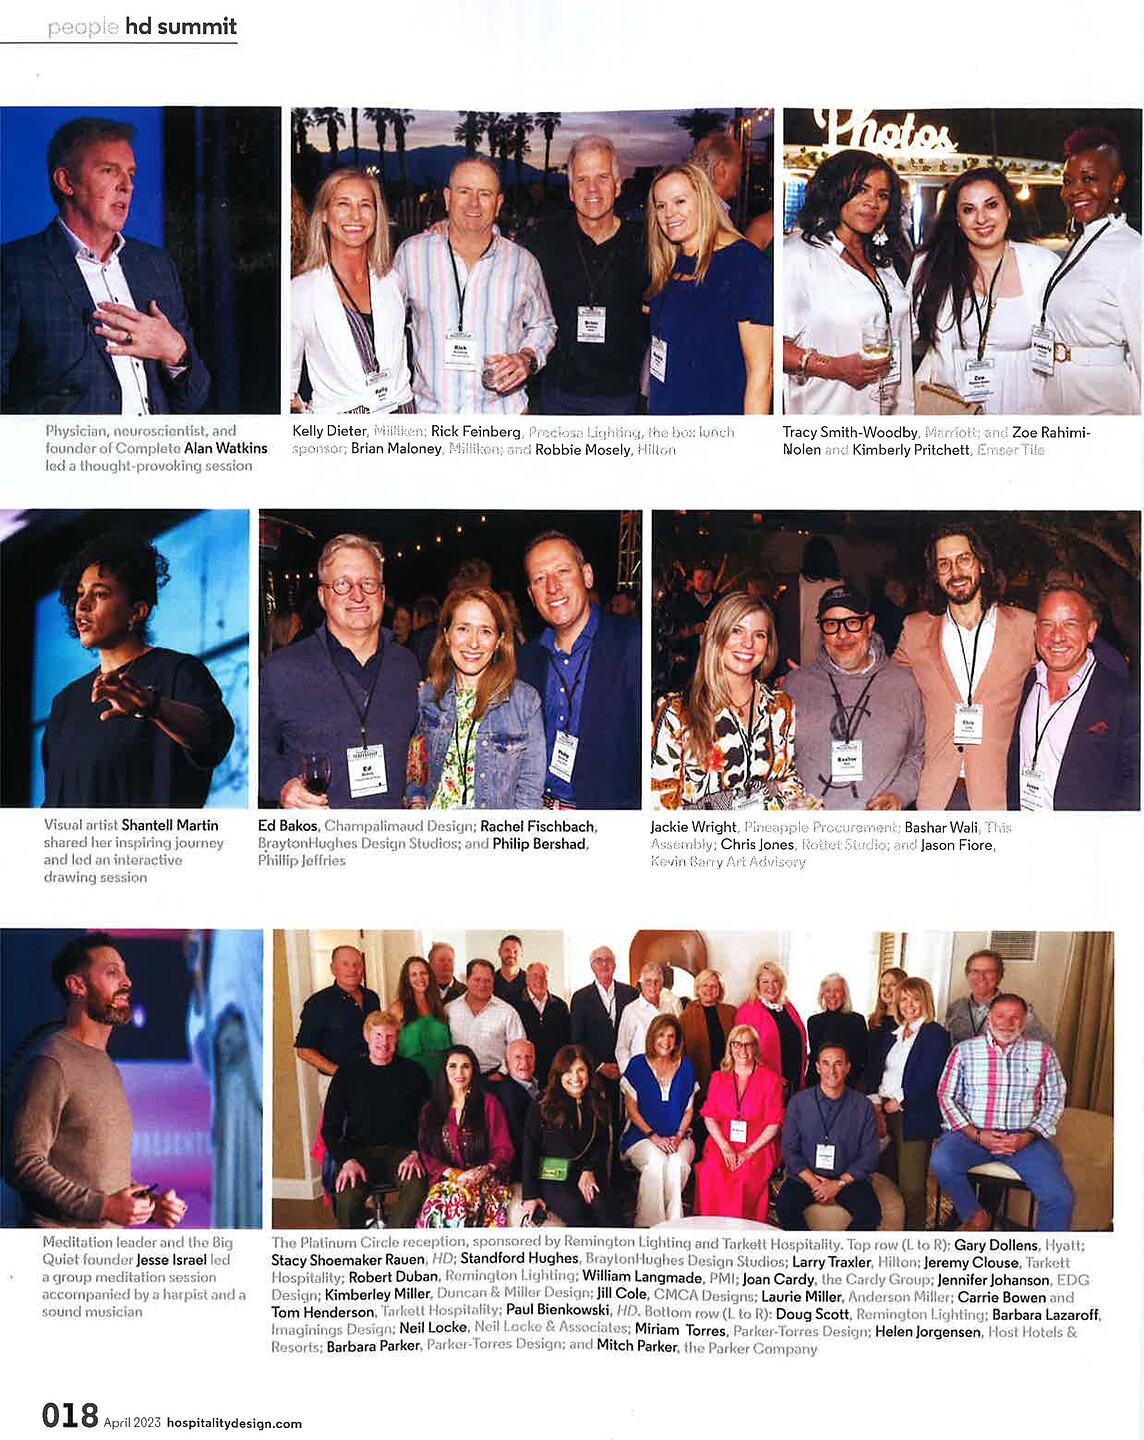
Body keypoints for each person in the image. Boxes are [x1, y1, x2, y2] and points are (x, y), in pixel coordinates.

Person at [2, 116, 209, 415]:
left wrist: (176, 352)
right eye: (109, 171)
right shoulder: (14, 268)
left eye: (131, 174)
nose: (127, 186)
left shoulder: (156, 266)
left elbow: (195, 398)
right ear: (66, 182)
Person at [42, 532, 234, 808]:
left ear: (138, 611)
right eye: (81, 594)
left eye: (100, 594)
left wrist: (152, 706)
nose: (82, 605)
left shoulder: (177, 671)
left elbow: (214, 735)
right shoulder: (66, 702)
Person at [9, 934, 188, 1228]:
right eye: (112, 972)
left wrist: (149, 1206)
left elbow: (97, 1177)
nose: (127, 982)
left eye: (125, 972)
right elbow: (23, 1164)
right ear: (77, 985)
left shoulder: (106, 1066)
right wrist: (105, 1207)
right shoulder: (51, 1060)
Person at [259, 533, 420, 809]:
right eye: (342, 584)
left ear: (382, 594)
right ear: (323, 596)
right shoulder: (281, 670)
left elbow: (421, 747)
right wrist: (282, 785)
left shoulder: (407, 665)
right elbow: (254, 749)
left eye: (368, 583)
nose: (358, 595)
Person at [393, 156, 556, 414]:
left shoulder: (523, 263)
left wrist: (527, 358)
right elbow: (386, 325)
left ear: (498, 203)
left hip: (503, 416)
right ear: (448, 197)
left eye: (485, 194)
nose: (474, 203)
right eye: (464, 191)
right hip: (431, 417)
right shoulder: (412, 255)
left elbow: (543, 324)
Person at [894, 525, 1034, 810]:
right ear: (935, 575)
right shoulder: (915, 630)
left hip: (997, 798)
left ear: (981, 564)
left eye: (964, 559)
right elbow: (882, 681)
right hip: (937, 796)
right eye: (944, 564)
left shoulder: (1025, 627)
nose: (955, 572)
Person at [911, 167, 1059, 414]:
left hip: (1027, 408)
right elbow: (901, 332)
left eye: (991, 205)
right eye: (969, 210)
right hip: (954, 408)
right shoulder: (931, 266)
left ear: (1008, 210)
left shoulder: (1043, 265)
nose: (981, 219)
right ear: (957, 219)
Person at [523, 135, 648, 415]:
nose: (592, 188)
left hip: (620, 398)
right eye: (581, 179)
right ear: (571, 191)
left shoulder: (645, 243)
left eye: (602, 177)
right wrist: (452, 230)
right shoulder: (545, 238)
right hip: (557, 394)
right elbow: (502, 258)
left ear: (617, 186)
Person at [517, 530, 641, 810]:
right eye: (539, 579)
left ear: (587, 576)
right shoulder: (526, 660)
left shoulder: (633, 645)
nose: (552, 587)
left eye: (562, 571)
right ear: (531, 595)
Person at [783, 149, 913, 415]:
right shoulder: (799, 254)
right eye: (861, 190)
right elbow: (769, 345)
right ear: (835, 191)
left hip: (891, 412)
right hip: (829, 415)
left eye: (882, 195)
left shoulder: (884, 257)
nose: (872, 203)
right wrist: (834, 368)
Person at [651, 592, 810, 810]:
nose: (748, 643)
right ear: (716, 636)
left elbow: (791, 784)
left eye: (759, 635)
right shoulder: (677, 712)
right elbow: (659, 806)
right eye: (737, 630)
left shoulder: (781, 707)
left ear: (768, 646)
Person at [932, 994, 1073, 1232]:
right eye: (1000, 1016)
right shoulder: (964, 1051)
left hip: (1024, 1139)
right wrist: (976, 1135)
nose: (1007, 1023)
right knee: (942, 1162)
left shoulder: (1043, 1053)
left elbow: (1055, 1099)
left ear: (1024, 1021)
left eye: (1015, 1017)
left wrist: (1029, 1135)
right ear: (989, 1019)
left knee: (1061, 1198)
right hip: (973, 1136)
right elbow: (946, 1095)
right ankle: (976, 1216)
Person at [783, 581, 925, 810]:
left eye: (852, 622)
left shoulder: (903, 684)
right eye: (831, 624)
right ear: (821, 630)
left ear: (869, 624)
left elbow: (918, 751)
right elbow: (776, 763)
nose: (842, 635)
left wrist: (899, 794)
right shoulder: (796, 685)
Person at [645, 162, 773, 414]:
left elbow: (761, 374)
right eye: (661, 206)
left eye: (680, 201)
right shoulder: (672, 261)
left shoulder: (743, 263)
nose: (669, 213)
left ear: (703, 200)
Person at [405, 586, 545, 810]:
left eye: (485, 631)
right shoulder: (428, 696)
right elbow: (416, 767)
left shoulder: (524, 703)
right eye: (463, 629)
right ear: (446, 635)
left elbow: (529, 796)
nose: (473, 643)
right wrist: (416, 802)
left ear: (499, 640)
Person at [289, 168, 413, 415]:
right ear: (324, 213)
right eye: (343, 204)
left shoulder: (393, 279)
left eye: (365, 205)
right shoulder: (300, 292)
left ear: (377, 215)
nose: (356, 216)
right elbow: (287, 379)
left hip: (403, 415)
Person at [1007, 583, 1139, 811]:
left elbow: (1135, 790)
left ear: (1090, 631)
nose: (1057, 637)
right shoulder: (1028, 682)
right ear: (1036, 631)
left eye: (1070, 624)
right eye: (1047, 624)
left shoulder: (1125, 700)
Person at [1040, 127, 1141, 415]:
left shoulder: (1133, 251)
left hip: (1102, 400)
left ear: (1117, 183)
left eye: (1089, 179)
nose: (1074, 191)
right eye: (1068, 181)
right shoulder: (1083, 241)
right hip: (1056, 393)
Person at [321, 1012, 430, 1229]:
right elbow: (330, 1127)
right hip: (358, 1154)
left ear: (397, 1038)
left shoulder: (414, 1073)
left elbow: (429, 1121)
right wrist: (346, 1160)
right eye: (378, 1035)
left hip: (402, 1152)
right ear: (367, 1036)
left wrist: (416, 1153)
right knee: (346, 1198)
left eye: (390, 1036)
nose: (384, 1042)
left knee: (417, 1190)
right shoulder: (347, 1074)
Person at [865, 978, 950, 1230]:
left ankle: (913, 1238)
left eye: (915, 999)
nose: (909, 1005)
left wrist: (900, 1100)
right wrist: (876, 1102)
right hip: (883, 1109)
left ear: (926, 1001)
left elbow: (930, 1075)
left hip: (912, 1114)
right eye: (904, 999)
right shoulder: (894, 1034)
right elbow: (878, 1070)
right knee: (884, 1178)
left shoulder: (935, 1034)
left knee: (911, 1186)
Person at [774, 1045, 882, 1231]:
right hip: (806, 1178)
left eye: (838, 1064)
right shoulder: (799, 1103)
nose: (832, 1071)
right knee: (785, 1207)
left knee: (870, 1213)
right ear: (817, 1067)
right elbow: (789, 1150)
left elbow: (870, 1155)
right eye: (826, 1063)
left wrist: (838, 1184)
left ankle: (841, 1251)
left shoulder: (863, 1106)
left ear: (847, 1067)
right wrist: (815, 1183)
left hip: (847, 1179)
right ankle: (811, 1251)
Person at [694, 1024, 785, 1223]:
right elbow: (709, 1116)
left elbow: (774, 1123)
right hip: (723, 1141)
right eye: (737, 1044)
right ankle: (711, 1228)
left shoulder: (771, 1080)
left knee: (742, 1178)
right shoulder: (718, 1077)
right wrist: (725, 1147)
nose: (742, 1050)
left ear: (756, 1048)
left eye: (748, 1044)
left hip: (758, 1145)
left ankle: (740, 1231)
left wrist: (749, 1152)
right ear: (730, 1047)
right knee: (710, 1172)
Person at [415, 1045, 514, 1228]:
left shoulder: (489, 1104)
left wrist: (485, 1170)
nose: (459, 1073)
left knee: (464, 1202)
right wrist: (454, 1174)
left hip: (485, 1180)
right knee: (436, 1210)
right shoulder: (431, 1109)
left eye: (465, 1066)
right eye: (453, 1066)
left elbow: (504, 1148)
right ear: (444, 1071)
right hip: (447, 1182)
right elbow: (427, 1152)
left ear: (473, 1070)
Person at [520, 1045, 615, 1227]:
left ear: (589, 1072)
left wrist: (589, 1170)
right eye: (568, 1071)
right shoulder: (541, 1105)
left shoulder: (598, 1102)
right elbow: (530, 1149)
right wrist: (530, 1195)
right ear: (559, 1075)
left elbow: (603, 1144)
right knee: (579, 1214)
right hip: (555, 1178)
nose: (575, 1077)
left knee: (605, 1212)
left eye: (581, 1070)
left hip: (587, 1173)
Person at [619, 1015, 698, 1227]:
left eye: (671, 1036)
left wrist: (679, 1136)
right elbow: (631, 1109)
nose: (666, 1041)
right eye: (661, 1035)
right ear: (652, 1037)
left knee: (677, 1164)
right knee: (656, 1162)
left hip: (679, 1136)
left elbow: (689, 1110)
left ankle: (673, 1224)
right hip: (642, 1136)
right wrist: (653, 1136)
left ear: (677, 1040)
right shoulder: (637, 1064)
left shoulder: (686, 1067)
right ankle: (649, 1225)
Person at [570, 945, 637, 1134]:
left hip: (627, 1069)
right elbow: (577, 1039)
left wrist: (625, 1065)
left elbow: (637, 1034)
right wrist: (599, 1066)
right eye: (599, 960)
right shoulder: (580, 997)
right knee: (601, 1122)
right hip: (596, 1072)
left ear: (615, 965)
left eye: (608, 960)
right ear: (592, 966)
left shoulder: (631, 993)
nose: (604, 964)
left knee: (629, 1119)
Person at [294, 945, 381, 1077]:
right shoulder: (318, 1003)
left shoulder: (372, 997)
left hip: (372, 1075)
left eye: (357, 964)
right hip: (336, 1079)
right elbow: (303, 1049)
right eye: (345, 964)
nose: (352, 969)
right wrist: (340, 1074)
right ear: (333, 968)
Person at [943, 949, 1053, 1047]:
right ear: (967, 975)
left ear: (1000, 976)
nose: (981, 977)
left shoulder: (1019, 1008)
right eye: (975, 971)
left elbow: (1044, 1046)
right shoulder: (955, 1008)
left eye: (989, 972)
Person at [734, 960, 807, 1097]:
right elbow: (742, 1052)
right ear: (757, 984)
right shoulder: (747, 1010)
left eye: (775, 981)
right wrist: (772, 1077)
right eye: (765, 982)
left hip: (795, 1080)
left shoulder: (788, 1006)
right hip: (766, 1085)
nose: (771, 987)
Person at [444, 959, 526, 1080]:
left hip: (494, 1077)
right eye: (477, 980)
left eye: (487, 981)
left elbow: (520, 1048)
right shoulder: (449, 1009)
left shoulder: (507, 1012)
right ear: (467, 980)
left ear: (493, 982)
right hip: (458, 1077)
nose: (482, 985)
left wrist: (502, 1073)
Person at [387, 956, 451, 1081]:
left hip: (441, 1074)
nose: (420, 978)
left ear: (430, 976)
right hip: (410, 1074)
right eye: (414, 975)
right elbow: (388, 1045)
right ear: (407, 980)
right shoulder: (397, 1008)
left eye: (423, 973)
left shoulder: (438, 1006)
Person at [615, 962, 682, 1075]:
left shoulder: (669, 1006)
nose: (653, 985)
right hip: (641, 1073)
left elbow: (677, 1040)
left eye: (657, 981)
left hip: (667, 1073)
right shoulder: (631, 1010)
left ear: (662, 984)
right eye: (648, 981)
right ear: (641, 984)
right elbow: (622, 1048)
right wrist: (630, 1073)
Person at [679, 968, 737, 1098]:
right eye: (705, 985)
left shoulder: (731, 1012)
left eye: (714, 986)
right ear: (698, 988)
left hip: (728, 1074)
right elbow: (681, 1050)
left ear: (720, 989)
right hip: (700, 1077)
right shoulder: (686, 1016)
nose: (709, 989)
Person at [806, 973, 869, 1082]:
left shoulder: (857, 1021)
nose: (832, 995)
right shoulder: (813, 1022)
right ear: (822, 994)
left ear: (844, 994)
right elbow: (814, 1059)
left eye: (837, 991)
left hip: (850, 1083)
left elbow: (861, 1059)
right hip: (820, 1084)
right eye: (828, 991)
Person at [518, 962, 572, 1087]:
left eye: (544, 977)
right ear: (527, 979)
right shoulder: (515, 1004)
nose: (540, 980)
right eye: (535, 976)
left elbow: (567, 1039)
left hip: (555, 1071)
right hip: (525, 1070)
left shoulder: (560, 1005)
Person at [496, 1038, 542, 1180]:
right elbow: (521, 1136)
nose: (524, 1063)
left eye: (529, 1057)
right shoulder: (509, 1094)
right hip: (524, 1168)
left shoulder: (538, 1085)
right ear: (507, 1063)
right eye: (517, 1057)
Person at [691, 132, 743, 214]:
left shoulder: (694, 208)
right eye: (739, 164)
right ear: (721, 169)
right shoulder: (710, 214)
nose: (741, 172)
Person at [868, 966, 908, 1035]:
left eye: (893, 985)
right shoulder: (874, 1020)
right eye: (884, 985)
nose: (887, 990)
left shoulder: (909, 1019)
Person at [493, 935, 527, 1006]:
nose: (511, 955)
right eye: (507, 950)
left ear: (521, 954)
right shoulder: (489, 981)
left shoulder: (531, 981)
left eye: (515, 951)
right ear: (499, 952)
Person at [428, 941, 465, 1005]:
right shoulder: (423, 992)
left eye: (450, 960)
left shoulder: (465, 993)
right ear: (431, 964)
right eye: (442, 960)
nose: (446, 964)